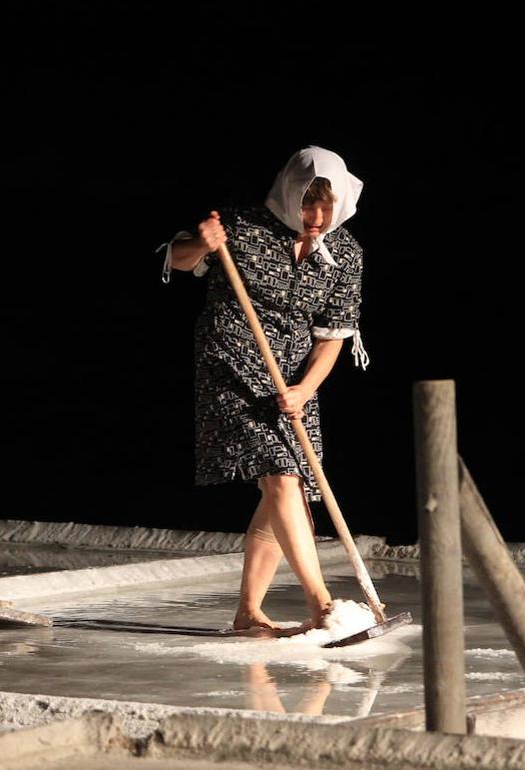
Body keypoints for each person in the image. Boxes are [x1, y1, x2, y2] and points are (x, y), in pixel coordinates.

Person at [160, 146, 368, 630]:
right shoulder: (242, 228)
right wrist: (204, 244)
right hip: (231, 364)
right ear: (289, 194)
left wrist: (304, 389)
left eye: (326, 206)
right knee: (281, 477)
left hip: (294, 379)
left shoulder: (346, 254)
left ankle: (248, 612)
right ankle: (322, 606)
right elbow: (177, 257)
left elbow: (335, 335)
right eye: (307, 204)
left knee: (286, 486)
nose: (316, 217)